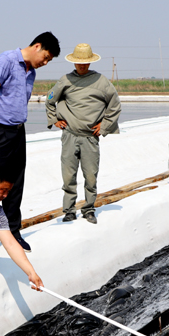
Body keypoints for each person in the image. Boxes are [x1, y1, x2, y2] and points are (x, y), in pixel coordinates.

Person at [0, 31, 61, 258]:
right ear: (37, 46)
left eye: (49, 61)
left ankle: (13, 233)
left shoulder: (31, 72)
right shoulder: (6, 60)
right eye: (46, 57)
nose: (45, 62)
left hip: (17, 132)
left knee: (15, 184)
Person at [45, 43, 121, 224]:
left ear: (90, 62)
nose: (82, 66)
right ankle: (69, 210)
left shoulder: (101, 81)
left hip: (90, 137)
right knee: (68, 176)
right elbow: (50, 100)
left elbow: (115, 104)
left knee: (91, 176)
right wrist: (55, 119)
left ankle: (89, 209)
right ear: (74, 62)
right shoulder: (65, 80)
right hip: (70, 135)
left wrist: (104, 125)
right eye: (79, 62)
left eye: (85, 62)